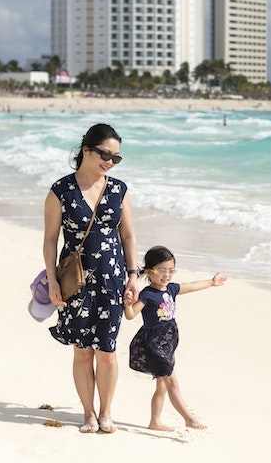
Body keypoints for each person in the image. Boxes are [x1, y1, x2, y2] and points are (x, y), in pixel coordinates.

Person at [43, 123, 140, 434]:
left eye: (116, 158)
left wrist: (133, 276)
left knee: (107, 352)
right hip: (77, 282)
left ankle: (106, 412)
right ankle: (88, 414)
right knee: (83, 351)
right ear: (86, 149)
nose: (110, 162)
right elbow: (50, 240)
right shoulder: (61, 191)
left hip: (112, 280)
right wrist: (52, 281)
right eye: (105, 154)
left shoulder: (118, 190)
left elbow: (128, 236)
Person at [124, 245, 227, 431]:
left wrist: (211, 282)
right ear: (149, 271)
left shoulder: (170, 289)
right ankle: (188, 418)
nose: (167, 275)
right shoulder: (147, 294)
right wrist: (128, 304)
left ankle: (155, 421)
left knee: (162, 385)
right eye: (162, 270)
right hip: (154, 343)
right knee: (172, 381)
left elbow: (192, 286)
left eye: (171, 270)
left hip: (169, 341)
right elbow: (131, 315)